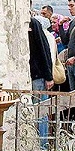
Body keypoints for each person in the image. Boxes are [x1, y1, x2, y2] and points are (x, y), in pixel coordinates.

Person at [27, 9, 57, 143]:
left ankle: (42, 143)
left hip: (38, 75)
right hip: (32, 75)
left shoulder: (33, 24)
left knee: (41, 111)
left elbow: (44, 51)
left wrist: (48, 76)